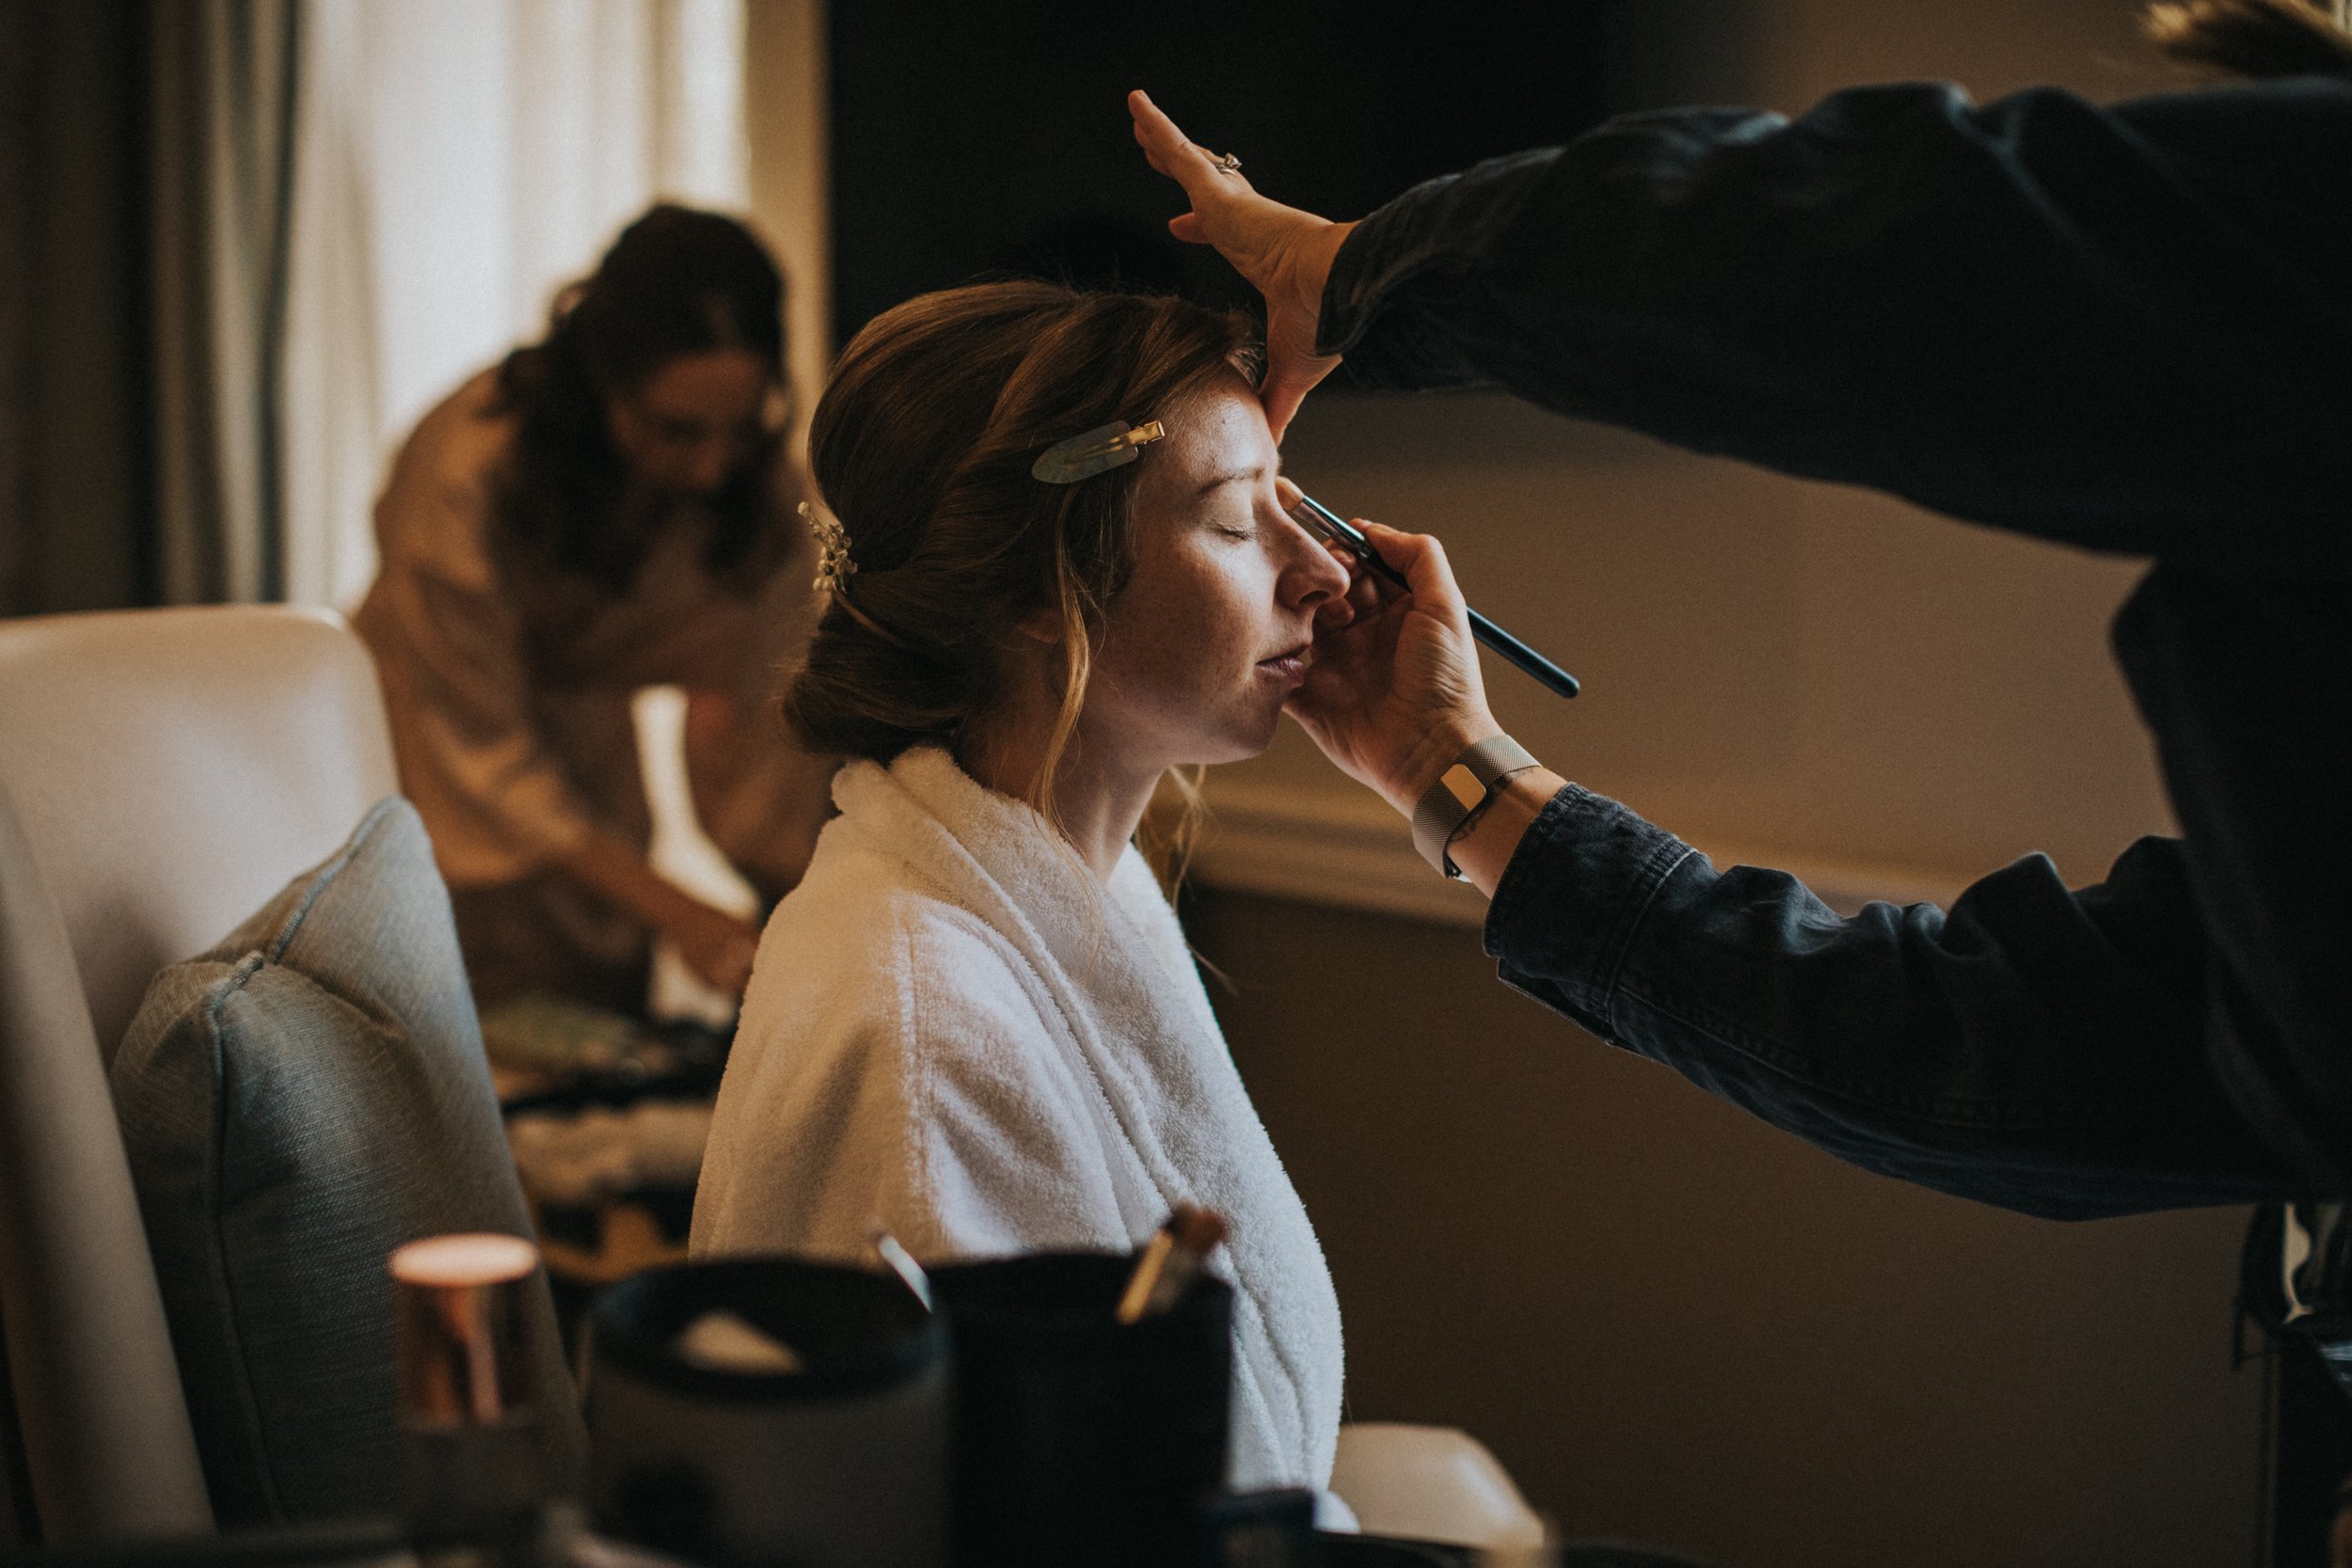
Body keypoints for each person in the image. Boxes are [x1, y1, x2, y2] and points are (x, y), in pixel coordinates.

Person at [689, 281, 1350, 1493]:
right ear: (1033, 591)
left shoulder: (1080, 900)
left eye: (1292, 506)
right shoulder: (926, 1042)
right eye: (1234, 521)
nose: (1325, 575)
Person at [356, 205, 835, 1014]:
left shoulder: (759, 497)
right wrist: (677, 907)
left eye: (737, 430)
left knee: (604, 1039)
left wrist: (806, 919)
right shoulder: (464, 477)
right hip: (429, 769)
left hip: (595, 776)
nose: (712, 468)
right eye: (678, 431)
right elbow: (481, 757)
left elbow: (769, 726)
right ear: (606, 379)